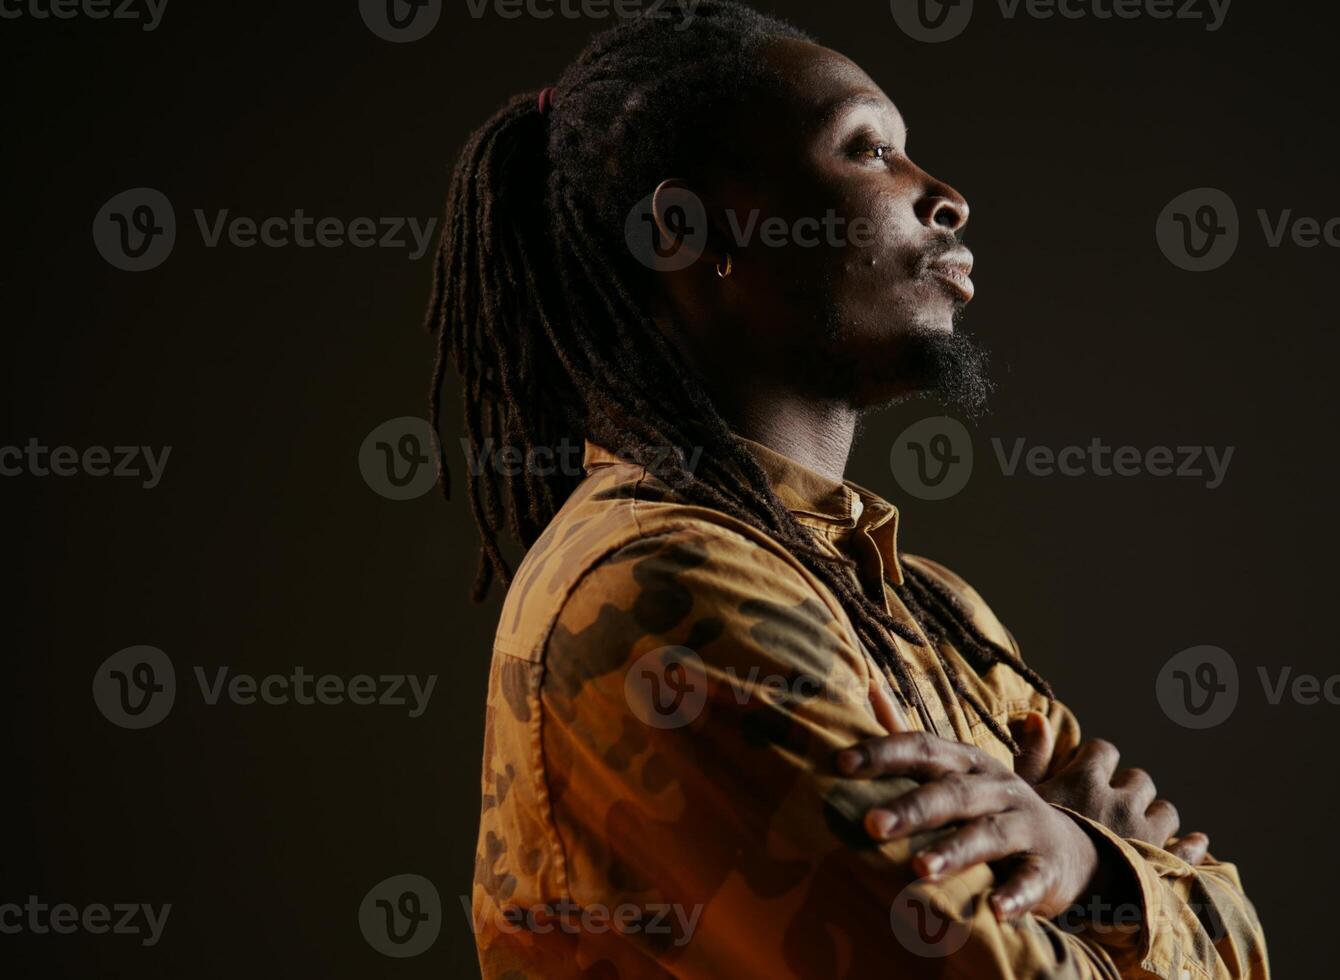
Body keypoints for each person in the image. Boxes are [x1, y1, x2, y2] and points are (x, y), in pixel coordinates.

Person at [424, 3, 1268, 976]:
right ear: (688, 229)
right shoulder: (669, 594)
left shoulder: (937, 610)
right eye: (866, 149)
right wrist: (1130, 890)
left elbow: (1244, 931)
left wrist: (1093, 866)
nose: (944, 195)